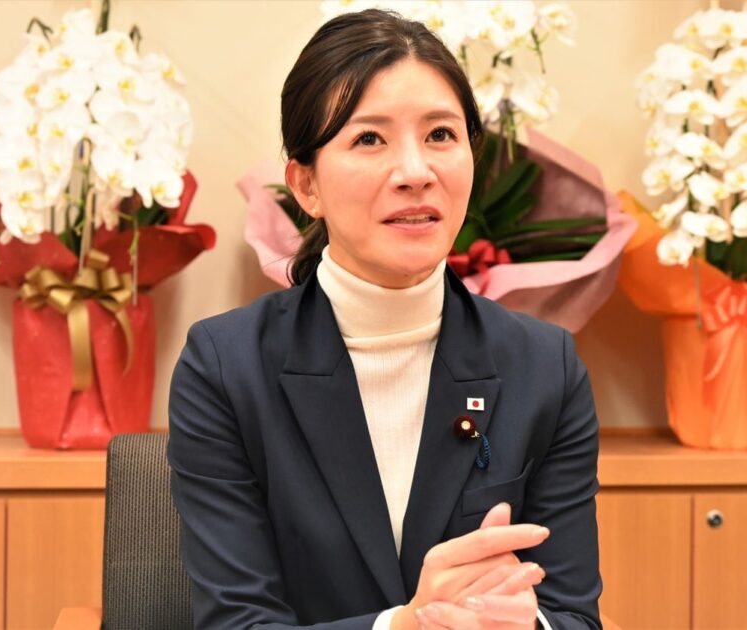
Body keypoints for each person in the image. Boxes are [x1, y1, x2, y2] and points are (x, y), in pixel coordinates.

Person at [167, 8, 602, 630]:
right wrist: (406, 625)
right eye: (369, 139)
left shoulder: (544, 368)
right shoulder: (226, 368)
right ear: (306, 186)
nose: (416, 173)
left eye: (440, 135)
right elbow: (236, 622)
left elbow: (572, 615)